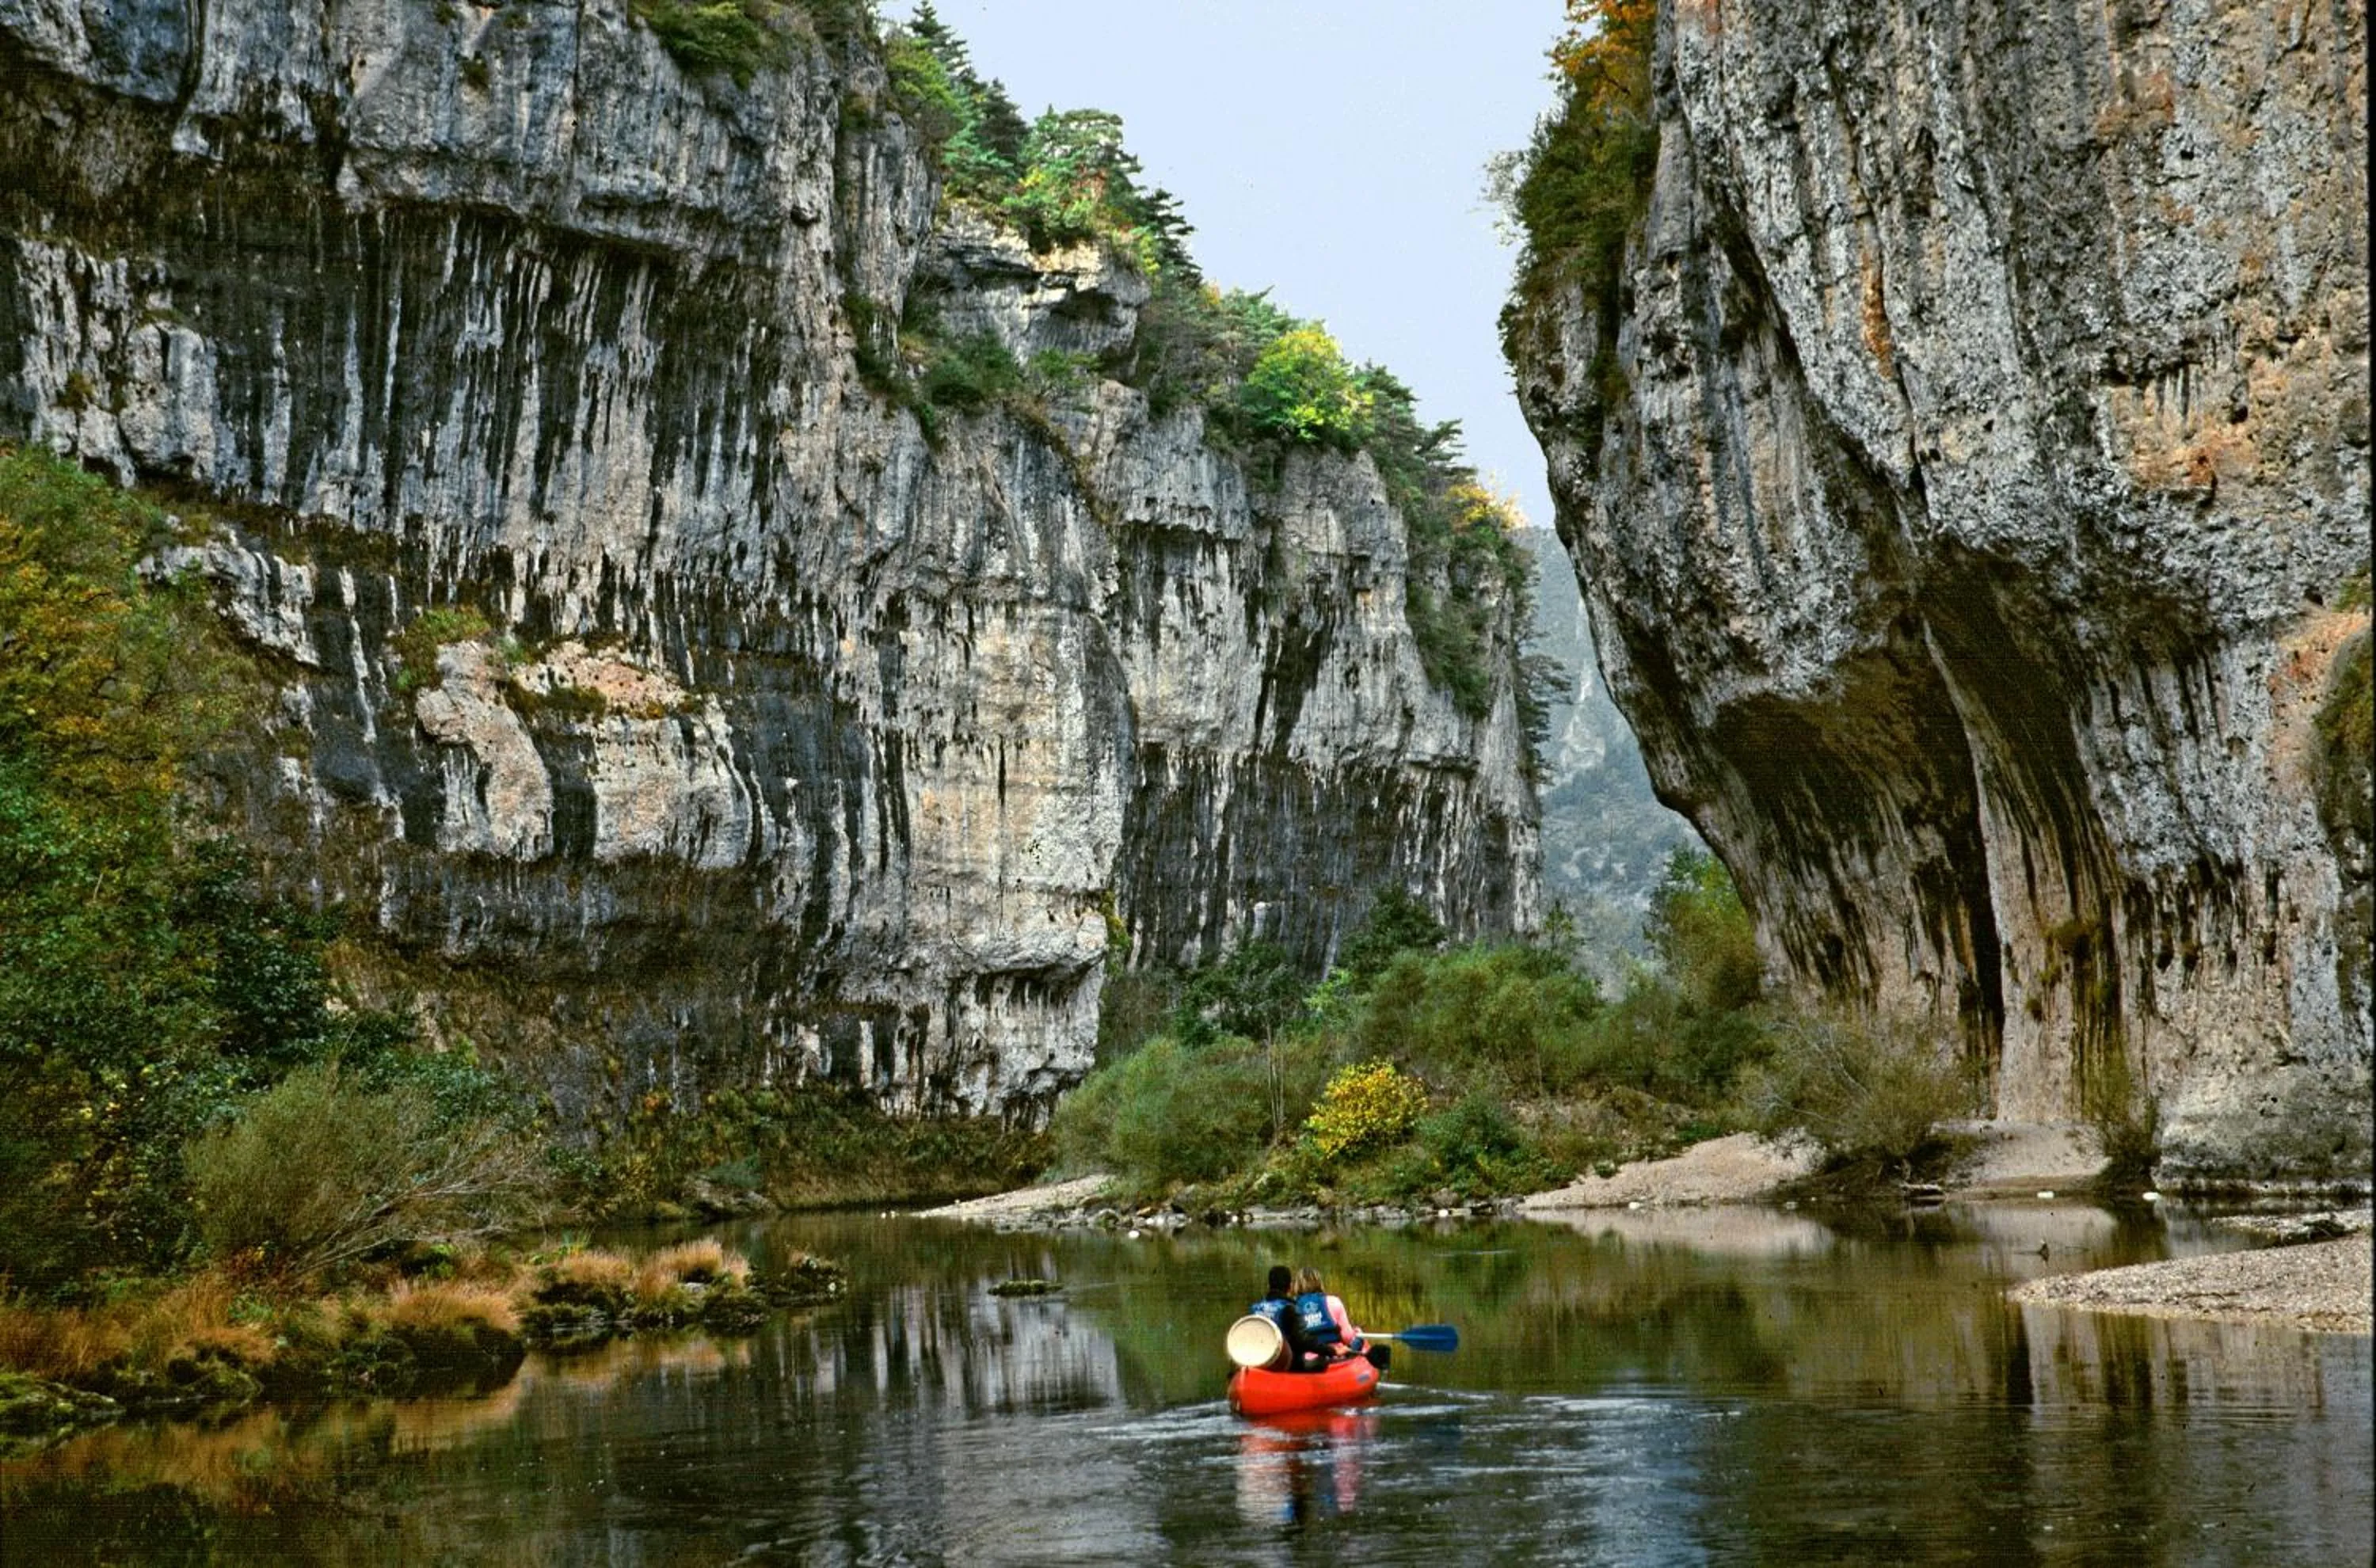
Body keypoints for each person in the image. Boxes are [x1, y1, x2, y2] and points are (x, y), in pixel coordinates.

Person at [1248, 1264, 1323, 1370]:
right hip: (1287, 1365)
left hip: (1260, 1362)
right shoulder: (1290, 1309)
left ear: (1269, 1286)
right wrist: (1331, 1350)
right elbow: (1303, 1341)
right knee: (1321, 1362)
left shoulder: (1254, 1308)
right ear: (1290, 1286)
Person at [1291, 1266, 1369, 1363]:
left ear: (1297, 1285)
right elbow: (1347, 1337)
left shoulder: (1290, 1307)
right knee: (1358, 1338)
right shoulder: (1334, 1301)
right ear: (1319, 1283)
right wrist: (1357, 1334)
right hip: (1335, 1356)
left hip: (1306, 1360)